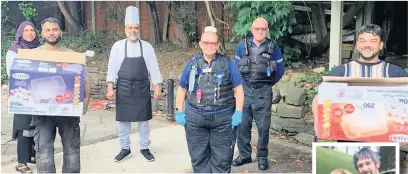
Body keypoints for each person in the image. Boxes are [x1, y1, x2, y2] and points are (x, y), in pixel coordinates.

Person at [312, 24, 408, 142]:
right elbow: (319, 99)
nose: (367, 45)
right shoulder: (341, 72)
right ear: (357, 45)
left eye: (373, 41)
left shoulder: (396, 73)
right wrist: (318, 126)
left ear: (381, 45)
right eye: (362, 41)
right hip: (348, 139)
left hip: (385, 141)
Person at [175, 26, 244, 173]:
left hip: (223, 120)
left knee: (222, 159)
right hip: (195, 120)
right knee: (198, 158)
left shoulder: (228, 64)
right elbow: (182, 89)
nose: (210, 46)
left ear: (217, 44)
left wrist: (238, 112)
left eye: (213, 43)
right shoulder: (192, 64)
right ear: (201, 44)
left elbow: (239, 89)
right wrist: (179, 111)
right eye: (206, 43)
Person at [30, 17, 91, 173]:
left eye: (55, 29)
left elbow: (85, 79)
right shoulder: (32, 55)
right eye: (48, 30)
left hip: (68, 111)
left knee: (72, 151)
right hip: (42, 113)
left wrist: (86, 101)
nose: (52, 33)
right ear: (42, 34)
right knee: (43, 153)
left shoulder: (72, 56)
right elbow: (19, 79)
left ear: (61, 33)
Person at [106, 6, 163, 163]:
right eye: (130, 27)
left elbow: (154, 67)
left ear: (139, 29)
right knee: (123, 120)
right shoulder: (117, 46)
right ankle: (125, 148)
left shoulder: (147, 47)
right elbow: (112, 68)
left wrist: (157, 85)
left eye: (136, 27)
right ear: (125, 29)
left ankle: (145, 147)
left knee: (144, 120)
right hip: (123, 87)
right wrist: (110, 86)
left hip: (142, 87)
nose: (133, 30)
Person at [233, 17, 285, 170]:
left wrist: (267, 84)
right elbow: (236, 68)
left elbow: (280, 71)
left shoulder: (273, 47)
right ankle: (244, 155)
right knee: (242, 125)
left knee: (263, 127)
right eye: (258, 29)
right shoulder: (242, 45)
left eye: (263, 29)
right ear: (252, 30)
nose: (260, 31)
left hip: (263, 92)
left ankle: (262, 157)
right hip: (244, 91)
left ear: (267, 30)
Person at [6, 20, 40, 173]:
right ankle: (21, 162)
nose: (29, 33)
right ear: (20, 33)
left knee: (36, 125)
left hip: (39, 92)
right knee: (24, 126)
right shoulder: (14, 50)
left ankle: (32, 154)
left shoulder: (40, 49)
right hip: (22, 93)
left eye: (32, 30)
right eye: (25, 30)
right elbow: (11, 73)